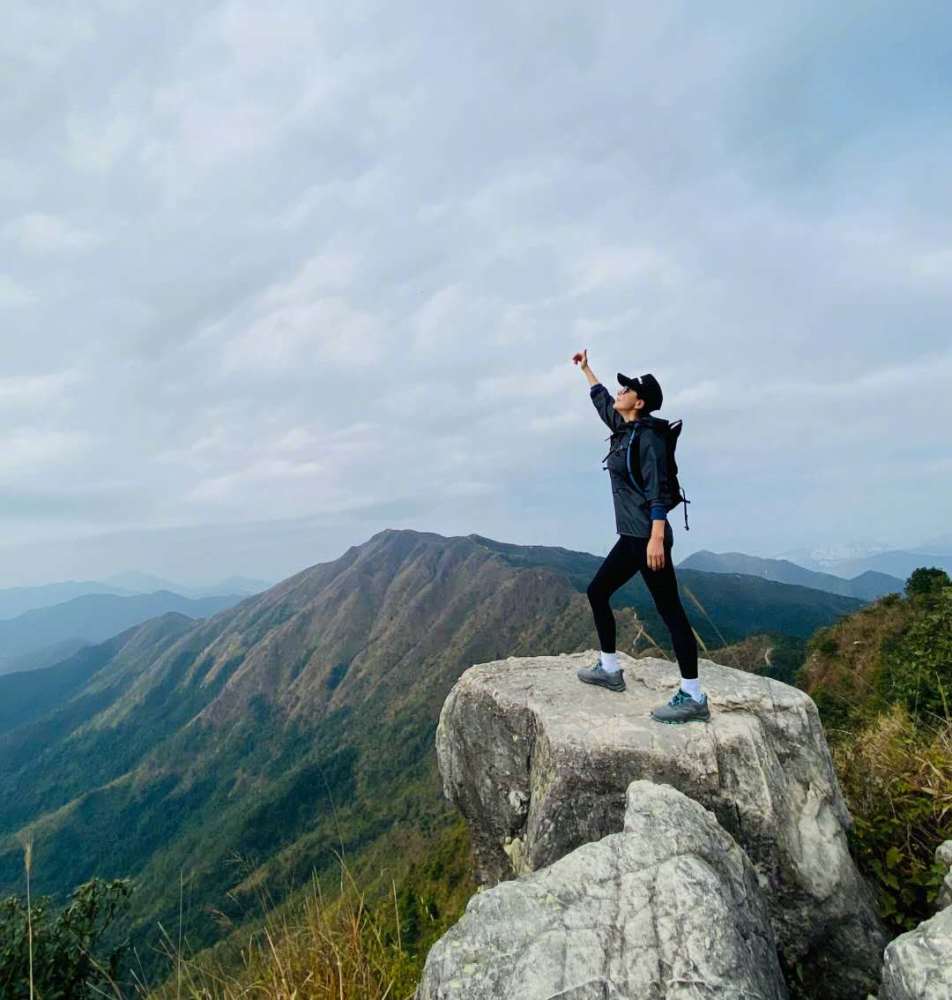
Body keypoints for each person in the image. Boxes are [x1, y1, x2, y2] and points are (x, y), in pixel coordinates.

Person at [570, 348, 710, 724]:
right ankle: (612, 669)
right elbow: (602, 402)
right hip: (636, 537)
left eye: (626, 389)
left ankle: (689, 694)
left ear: (640, 401)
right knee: (655, 606)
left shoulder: (648, 438)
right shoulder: (624, 429)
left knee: (626, 599)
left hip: (644, 539)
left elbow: (659, 488)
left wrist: (656, 537)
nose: (620, 392)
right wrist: (586, 370)